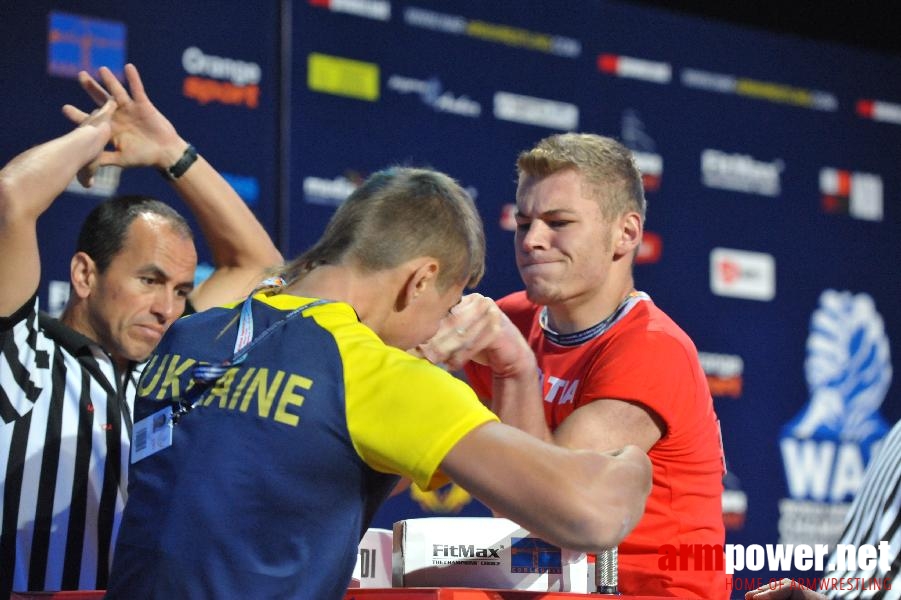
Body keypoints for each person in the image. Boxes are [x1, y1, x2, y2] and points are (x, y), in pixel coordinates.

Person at [103, 166, 652, 599]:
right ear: (420, 279)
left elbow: (288, 471)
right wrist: (633, 461)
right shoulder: (373, 373)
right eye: (444, 307)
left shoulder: (191, 335)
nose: (436, 330)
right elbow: (590, 514)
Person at [0, 63, 282, 594]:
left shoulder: (162, 373)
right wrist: (97, 132)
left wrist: (169, 150)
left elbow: (259, 268)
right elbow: (12, 199)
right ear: (85, 274)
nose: (168, 308)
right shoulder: (23, 353)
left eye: (180, 290)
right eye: (149, 280)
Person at [418, 132, 727, 598]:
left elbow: (545, 511)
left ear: (625, 234)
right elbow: (411, 442)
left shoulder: (652, 348)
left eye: (558, 222)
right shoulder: (513, 319)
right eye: (524, 223)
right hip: (548, 582)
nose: (532, 241)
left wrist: (516, 367)